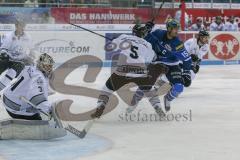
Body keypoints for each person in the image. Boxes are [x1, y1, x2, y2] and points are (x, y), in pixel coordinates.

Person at [90, 23, 168, 119]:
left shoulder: (124, 37)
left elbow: (111, 47)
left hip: (123, 70)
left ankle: (100, 106)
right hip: (140, 71)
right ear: (144, 34)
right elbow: (151, 58)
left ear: (133, 32)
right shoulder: (148, 44)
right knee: (149, 90)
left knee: (107, 88)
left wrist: (115, 41)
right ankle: (158, 108)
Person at [128, 19, 192, 114]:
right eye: (175, 29)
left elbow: (187, 59)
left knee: (179, 87)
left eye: (177, 29)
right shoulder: (158, 33)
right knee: (146, 84)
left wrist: (187, 73)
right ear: (169, 29)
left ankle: (168, 99)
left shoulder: (178, 44)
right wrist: (147, 29)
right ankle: (133, 103)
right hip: (157, 63)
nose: (177, 31)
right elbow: (143, 41)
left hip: (172, 65)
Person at [2, 53, 55, 120]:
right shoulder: (39, 77)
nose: (49, 68)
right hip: (15, 107)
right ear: (41, 65)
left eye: (50, 66)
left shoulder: (30, 68)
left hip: (7, 98)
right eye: (46, 66)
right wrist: (49, 110)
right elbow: (36, 97)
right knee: (38, 118)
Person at [0, 18, 35, 91]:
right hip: (8, 59)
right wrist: (4, 54)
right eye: (20, 25)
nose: (22, 27)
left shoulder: (28, 37)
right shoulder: (9, 36)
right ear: (16, 26)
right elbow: (3, 49)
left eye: (23, 25)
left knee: (12, 72)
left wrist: (31, 56)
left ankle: (0, 88)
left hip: (20, 62)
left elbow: (32, 50)